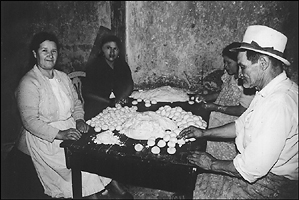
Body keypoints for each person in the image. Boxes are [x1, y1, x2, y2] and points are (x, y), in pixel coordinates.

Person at [178, 25, 298, 199]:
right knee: (202, 181)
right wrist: (203, 133)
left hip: (274, 184)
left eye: (243, 67)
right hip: (261, 172)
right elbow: (241, 125)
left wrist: (212, 164)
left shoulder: (279, 104)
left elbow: (252, 168)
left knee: (205, 189)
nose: (240, 75)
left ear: (263, 63)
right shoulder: (268, 91)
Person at [14, 31, 133, 199]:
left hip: (69, 127)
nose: (50, 55)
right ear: (35, 54)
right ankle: (94, 193)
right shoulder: (29, 82)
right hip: (46, 138)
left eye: (53, 51)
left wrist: (79, 120)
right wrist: (60, 134)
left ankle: (103, 188)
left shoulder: (62, 77)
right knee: (82, 162)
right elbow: (30, 121)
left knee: (94, 150)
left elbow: (77, 103)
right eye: (44, 51)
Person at [194, 42, 256, 160]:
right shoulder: (230, 75)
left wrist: (216, 107)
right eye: (224, 62)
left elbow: (242, 110)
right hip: (219, 116)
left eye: (229, 63)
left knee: (224, 154)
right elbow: (224, 92)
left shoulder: (247, 83)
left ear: (239, 64)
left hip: (232, 122)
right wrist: (207, 97)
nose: (225, 66)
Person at [83, 34, 134, 120]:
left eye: (115, 49)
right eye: (108, 48)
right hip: (97, 106)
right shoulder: (94, 66)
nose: (112, 52)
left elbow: (129, 83)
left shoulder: (122, 64)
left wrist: (124, 95)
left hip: (117, 105)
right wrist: (108, 101)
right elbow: (87, 93)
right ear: (102, 49)